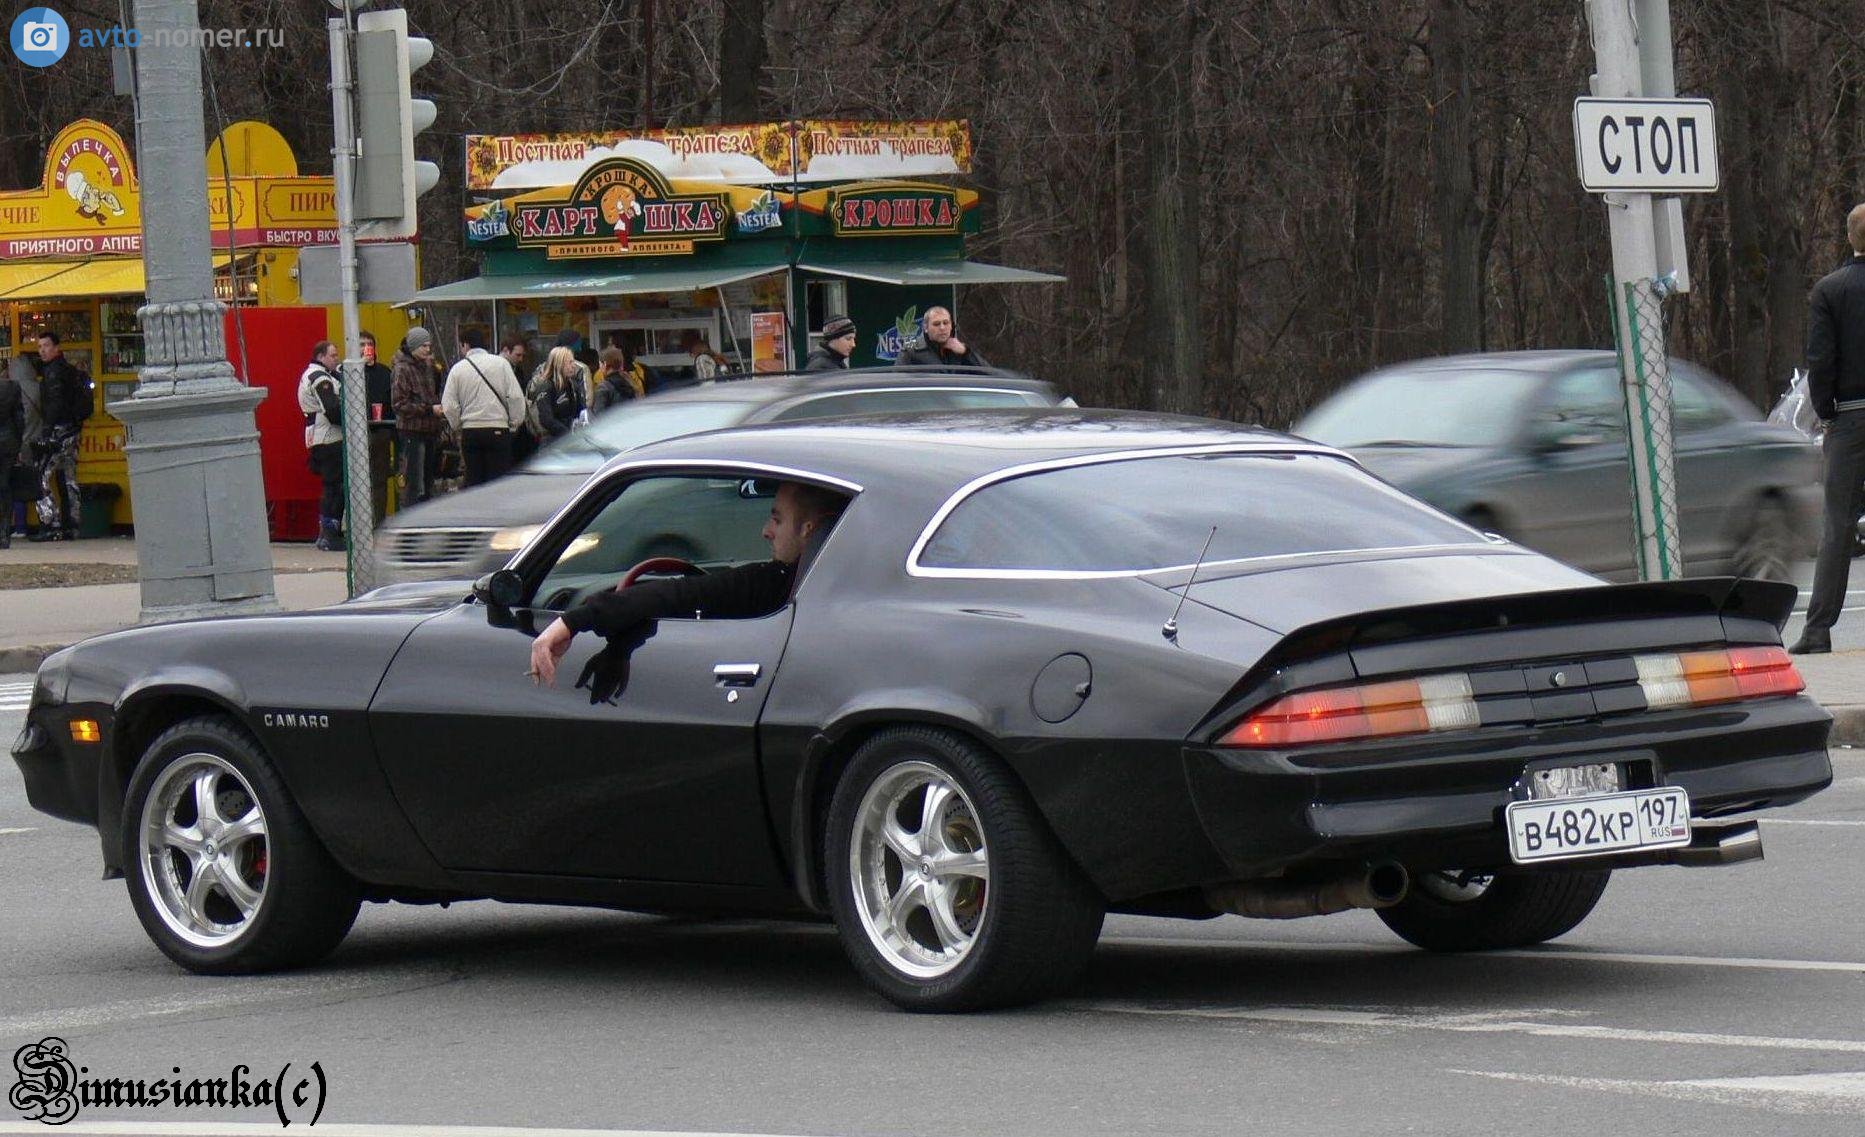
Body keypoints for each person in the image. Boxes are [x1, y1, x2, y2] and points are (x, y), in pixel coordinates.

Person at [528, 481, 847, 686]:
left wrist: (575, 620)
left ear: (809, 529)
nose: (766, 530)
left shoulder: (775, 584)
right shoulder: (845, 587)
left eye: (777, 519)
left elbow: (680, 594)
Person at [1792, 202, 1865, 654]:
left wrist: (1827, 412)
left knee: (1837, 525)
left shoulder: (1829, 290)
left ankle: (1818, 629)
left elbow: (1821, 361)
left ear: (1850, 238)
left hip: (1851, 418)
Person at [443, 328, 526, 487]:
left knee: (474, 481)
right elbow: (515, 397)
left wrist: (459, 426)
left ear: (465, 345)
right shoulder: (501, 364)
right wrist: (513, 424)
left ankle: (477, 511)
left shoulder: (458, 369)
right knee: (498, 483)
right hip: (498, 429)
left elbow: (449, 405)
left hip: (471, 431)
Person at [29, 330, 87, 542]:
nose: (42, 350)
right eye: (39, 347)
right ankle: (72, 524)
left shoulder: (53, 373)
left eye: (45, 346)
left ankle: (49, 524)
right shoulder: (69, 371)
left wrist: (47, 431)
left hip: (57, 433)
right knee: (68, 478)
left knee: (41, 476)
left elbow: (54, 404)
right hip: (72, 431)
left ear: (56, 348)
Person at [297, 340, 346, 551]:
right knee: (335, 487)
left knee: (332, 486)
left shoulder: (318, 375)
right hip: (329, 437)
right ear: (321, 357)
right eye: (333, 355)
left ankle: (327, 532)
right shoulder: (320, 378)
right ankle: (330, 534)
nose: (337, 358)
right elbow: (333, 411)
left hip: (318, 436)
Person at [390, 327, 443, 505]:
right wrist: (429, 409)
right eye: (423, 346)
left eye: (429, 345)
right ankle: (410, 521)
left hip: (429, 430)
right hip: (412, 431)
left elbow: (432, 392)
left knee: (427, 481)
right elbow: (399, 404)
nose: (428, 350)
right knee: (414, 480)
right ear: (413, 347)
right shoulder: (402, 369)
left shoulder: (427, 366)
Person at [359, 331, 396, 524]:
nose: (366, 348)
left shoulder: (384, 373)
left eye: (369, 344)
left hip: (380, 431)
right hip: (356, 433)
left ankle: (378, 522)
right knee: (358, 480)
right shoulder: (347, 374)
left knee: (379, 480)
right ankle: (360, 523)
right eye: (362, 344)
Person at [893, 306, 988, 367]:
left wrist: (966, 352)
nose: (942, 328)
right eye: (936, 324)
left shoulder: (959, 348)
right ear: (926, 327)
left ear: (951, 326)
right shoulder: (911, 347)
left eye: (946, 323)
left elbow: (989, 374)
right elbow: (898, 381)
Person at [531, 346, 587, 441]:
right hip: (552, 441)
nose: (573, 366)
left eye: (573, 362)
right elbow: (546, 419)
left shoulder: (573, 384)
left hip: (571, 438)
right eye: (570, 362)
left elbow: (581, 411)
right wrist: (567, 434)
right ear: (559, 364)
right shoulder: (545, 386)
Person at [500, 333, 538, 464]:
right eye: (518, 355)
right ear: (506, 350)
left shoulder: (518, 370)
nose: (521, 359)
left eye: (522, 355)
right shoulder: (498, 370)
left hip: (518, 424)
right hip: (507, 424)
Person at [0, 355, 24, 549]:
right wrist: (18, 445)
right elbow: (19, 420)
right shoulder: (12, 388)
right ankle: (4, 532)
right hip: (8, 443)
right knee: (4, 486)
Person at [591, 346, 639, 413]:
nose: (600, 368)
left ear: (605, 364)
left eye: (600, 364)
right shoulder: (629, 383)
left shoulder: (603, 388)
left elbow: (598, 417)